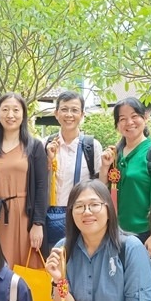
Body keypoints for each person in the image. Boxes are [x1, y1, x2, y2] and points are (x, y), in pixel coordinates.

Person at [0, 92, 48, 268]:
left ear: (23, 114)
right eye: (5, 109)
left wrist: (38, 223)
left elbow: (42, 187)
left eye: (15, 110)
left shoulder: (34, 146)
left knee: (23, 267)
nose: (10, 115)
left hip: (23, 216)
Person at [100, 97, 151, 257]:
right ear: (117, 125)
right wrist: (105, 167)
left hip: (145, 235)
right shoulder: (115, 154)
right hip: (116, 233)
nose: (129, 122)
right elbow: (102, 192)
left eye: (134, 116)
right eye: (122, 119)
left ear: (145, 118)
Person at [43, 90, 103, 254]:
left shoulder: (92, 146)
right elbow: (38, 183)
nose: (69, 115)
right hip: (50, 218)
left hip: (82, 216)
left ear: (82, 114)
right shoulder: (45, 144)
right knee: (53, 261)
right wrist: (48, 160)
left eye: (74, 110)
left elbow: (100, 186)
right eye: (64, 109)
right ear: (56, 113)